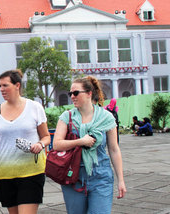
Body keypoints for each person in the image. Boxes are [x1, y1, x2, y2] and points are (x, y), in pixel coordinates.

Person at [53, 76, 126, 214]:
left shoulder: (106, 117)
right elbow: (56, 144)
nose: (72, 97)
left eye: (76, 93)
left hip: (101, 175)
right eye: (70, 94)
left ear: (89, 93)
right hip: (74, 176)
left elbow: (114, 149)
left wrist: (121, 180)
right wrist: (81, 141)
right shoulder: (67, 117)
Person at [0, 69, 51, 214]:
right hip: (5, 173)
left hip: (31, 172)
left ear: (17, 85)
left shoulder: (35, 107)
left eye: (5, 85)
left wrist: (40, 144)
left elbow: (46, 137)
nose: (1, 89)